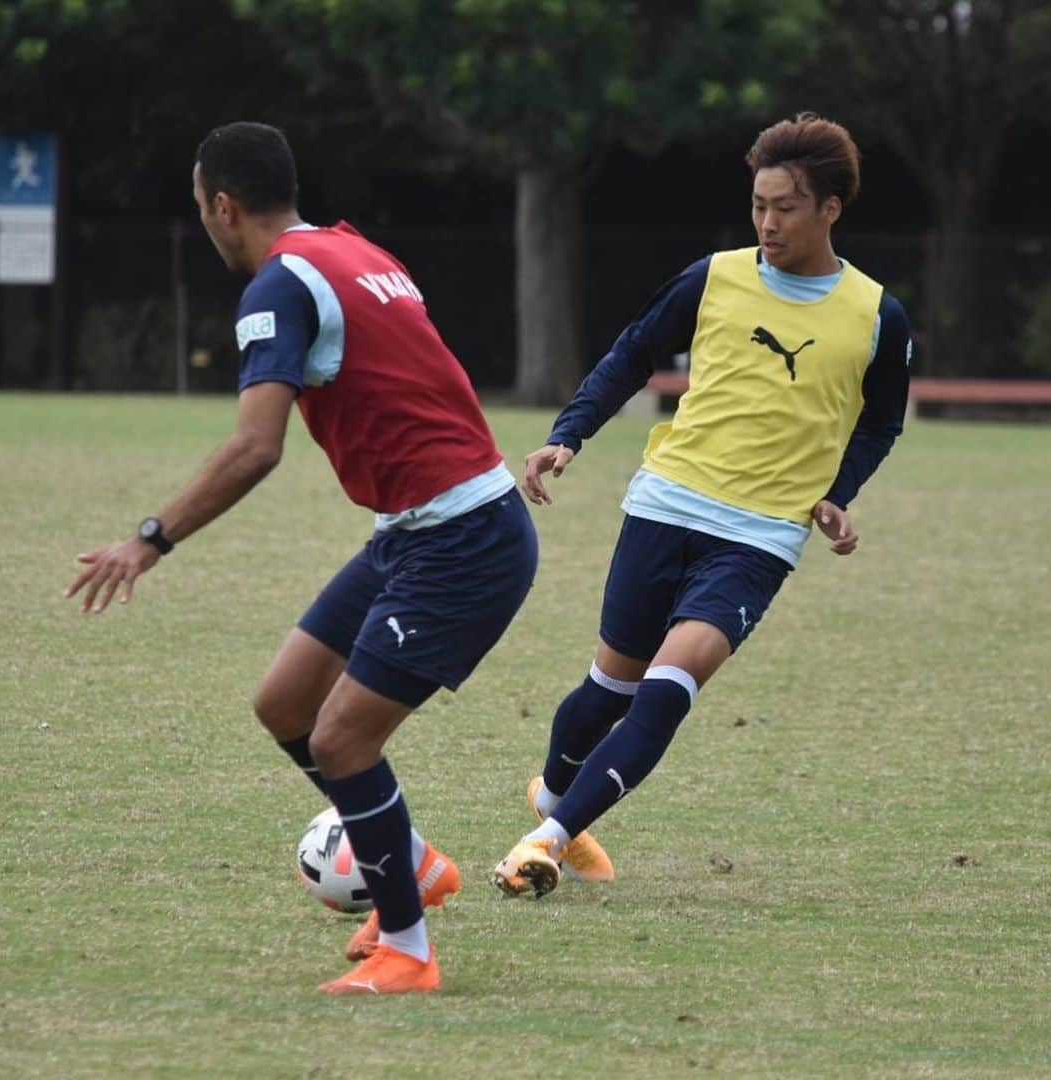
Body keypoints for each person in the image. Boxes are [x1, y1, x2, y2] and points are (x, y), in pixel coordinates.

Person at [65, 121, 539, 994]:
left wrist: (149, 538)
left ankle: (409, 950)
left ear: (221, 205)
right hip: (418, 528)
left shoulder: (278, 286)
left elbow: (256, 448)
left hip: (463, 536)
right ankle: (414, 865)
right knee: (285, 701)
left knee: (343, 739)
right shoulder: (350, 249)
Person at [492, 113, 911, 898]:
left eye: (786, 205)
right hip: (665, 507)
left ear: (831, 209)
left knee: (668, 689)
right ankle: (556, 799)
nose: (767, 221)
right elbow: (632, 353)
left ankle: (544, 839)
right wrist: (567, 436)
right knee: (604, 695)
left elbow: (882, 420)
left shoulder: (877, 315)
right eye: (758, 203)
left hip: (757, 540)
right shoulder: (713, 276)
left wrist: (836, 494)